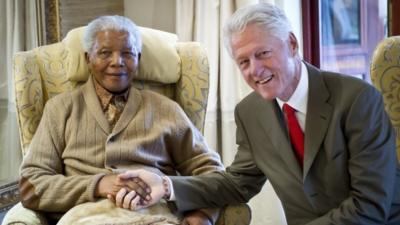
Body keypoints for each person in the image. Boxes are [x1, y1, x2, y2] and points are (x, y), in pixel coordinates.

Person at [116, 3, 400, 225]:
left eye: (263, 53)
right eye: (243, 61)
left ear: (291, 44)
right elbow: (238, 183)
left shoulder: (357, 99)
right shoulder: (250, 112)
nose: (254, 70)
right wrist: (167, 186)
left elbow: (370, 205)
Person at [4, 15, 223, 225]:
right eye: (105, 53)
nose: (117, 62)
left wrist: (203, 215)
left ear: (138, 59)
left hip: (154, 216)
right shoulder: (60, 109)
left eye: (128, 53)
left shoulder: (166, 109)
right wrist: (99, 184)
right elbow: (31, 185)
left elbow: (212, 172)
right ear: (88, 58)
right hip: (84, 218)